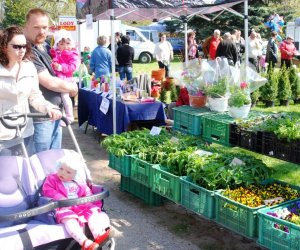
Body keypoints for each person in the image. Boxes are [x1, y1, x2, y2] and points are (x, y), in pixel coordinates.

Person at [0, 26, 61, 156]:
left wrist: (49, 107)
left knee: (23, 171)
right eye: (16, 46)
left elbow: (35, 96)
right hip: (2, 132)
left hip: (24, 130)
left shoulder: (29, 67)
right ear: (4, 46)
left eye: (24, 46)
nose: (21, 50)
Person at [23, 8, 78, 153]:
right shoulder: (26, 50)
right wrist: (72, 88)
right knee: (40, 165)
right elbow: (47, 81)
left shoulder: (45, 47)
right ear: (26, 27)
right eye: (36, 27)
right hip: (39, 118)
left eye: (44, 27)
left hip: (54, 115)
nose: (41, 31)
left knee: (53, 164)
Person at [42, 151, 111, 250]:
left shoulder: (78, 182)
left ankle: (98, 235)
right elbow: (47, 189)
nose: (62, 173)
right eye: (61, 168)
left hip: (80, 205)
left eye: (68, 172)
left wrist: (88, 199)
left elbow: (87, 191)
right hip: (63, 206)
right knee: (69, 219)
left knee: (93, 213)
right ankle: (84, 242)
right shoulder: (52, 179)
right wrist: (59, 197)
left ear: (75, 174)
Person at [49, 30, 80, 125]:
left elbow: (73, 67)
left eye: (68, 43)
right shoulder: (56, 53)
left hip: (66, 80)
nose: (65, 46)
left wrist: (60, 67)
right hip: (58, 79)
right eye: (62, 44)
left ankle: (69, 117)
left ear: (72, 44)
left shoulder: (73, 54)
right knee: (60, 100)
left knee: (65, 99)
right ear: (57, 45)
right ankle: (62, 116)